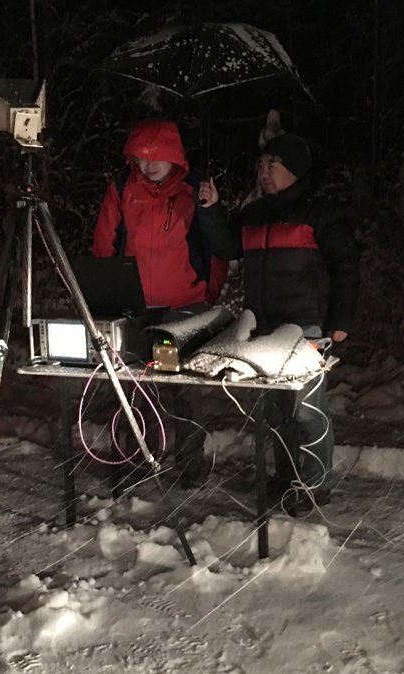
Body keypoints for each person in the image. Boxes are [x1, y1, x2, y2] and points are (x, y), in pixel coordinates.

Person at [200, 132, 360, 513]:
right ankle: (286, 477)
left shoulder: (318, 214)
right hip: (264, 330)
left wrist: (340, 320)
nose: (264, 172)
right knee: (274, 411)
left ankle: (316, 482)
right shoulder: (254, 215)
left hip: (306, 328)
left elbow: (346, 267)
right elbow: (226, 246)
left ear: (295, 170)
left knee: (308, 408)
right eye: (261, 164)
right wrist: (211, 209)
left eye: (273, 164)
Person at [92, 119, 230, 486]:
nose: (147, 164)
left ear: (174, 158)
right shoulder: (123, 186)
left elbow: (219, 251)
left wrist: (207, 294)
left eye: (156, 157)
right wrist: (107, 293)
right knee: (136, 387)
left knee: (182, 387)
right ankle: (137, 461)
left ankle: (189, 466)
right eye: (140, 157)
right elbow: (105, 243)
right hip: (134, 308)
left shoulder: (195, 188)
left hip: (181, 311)